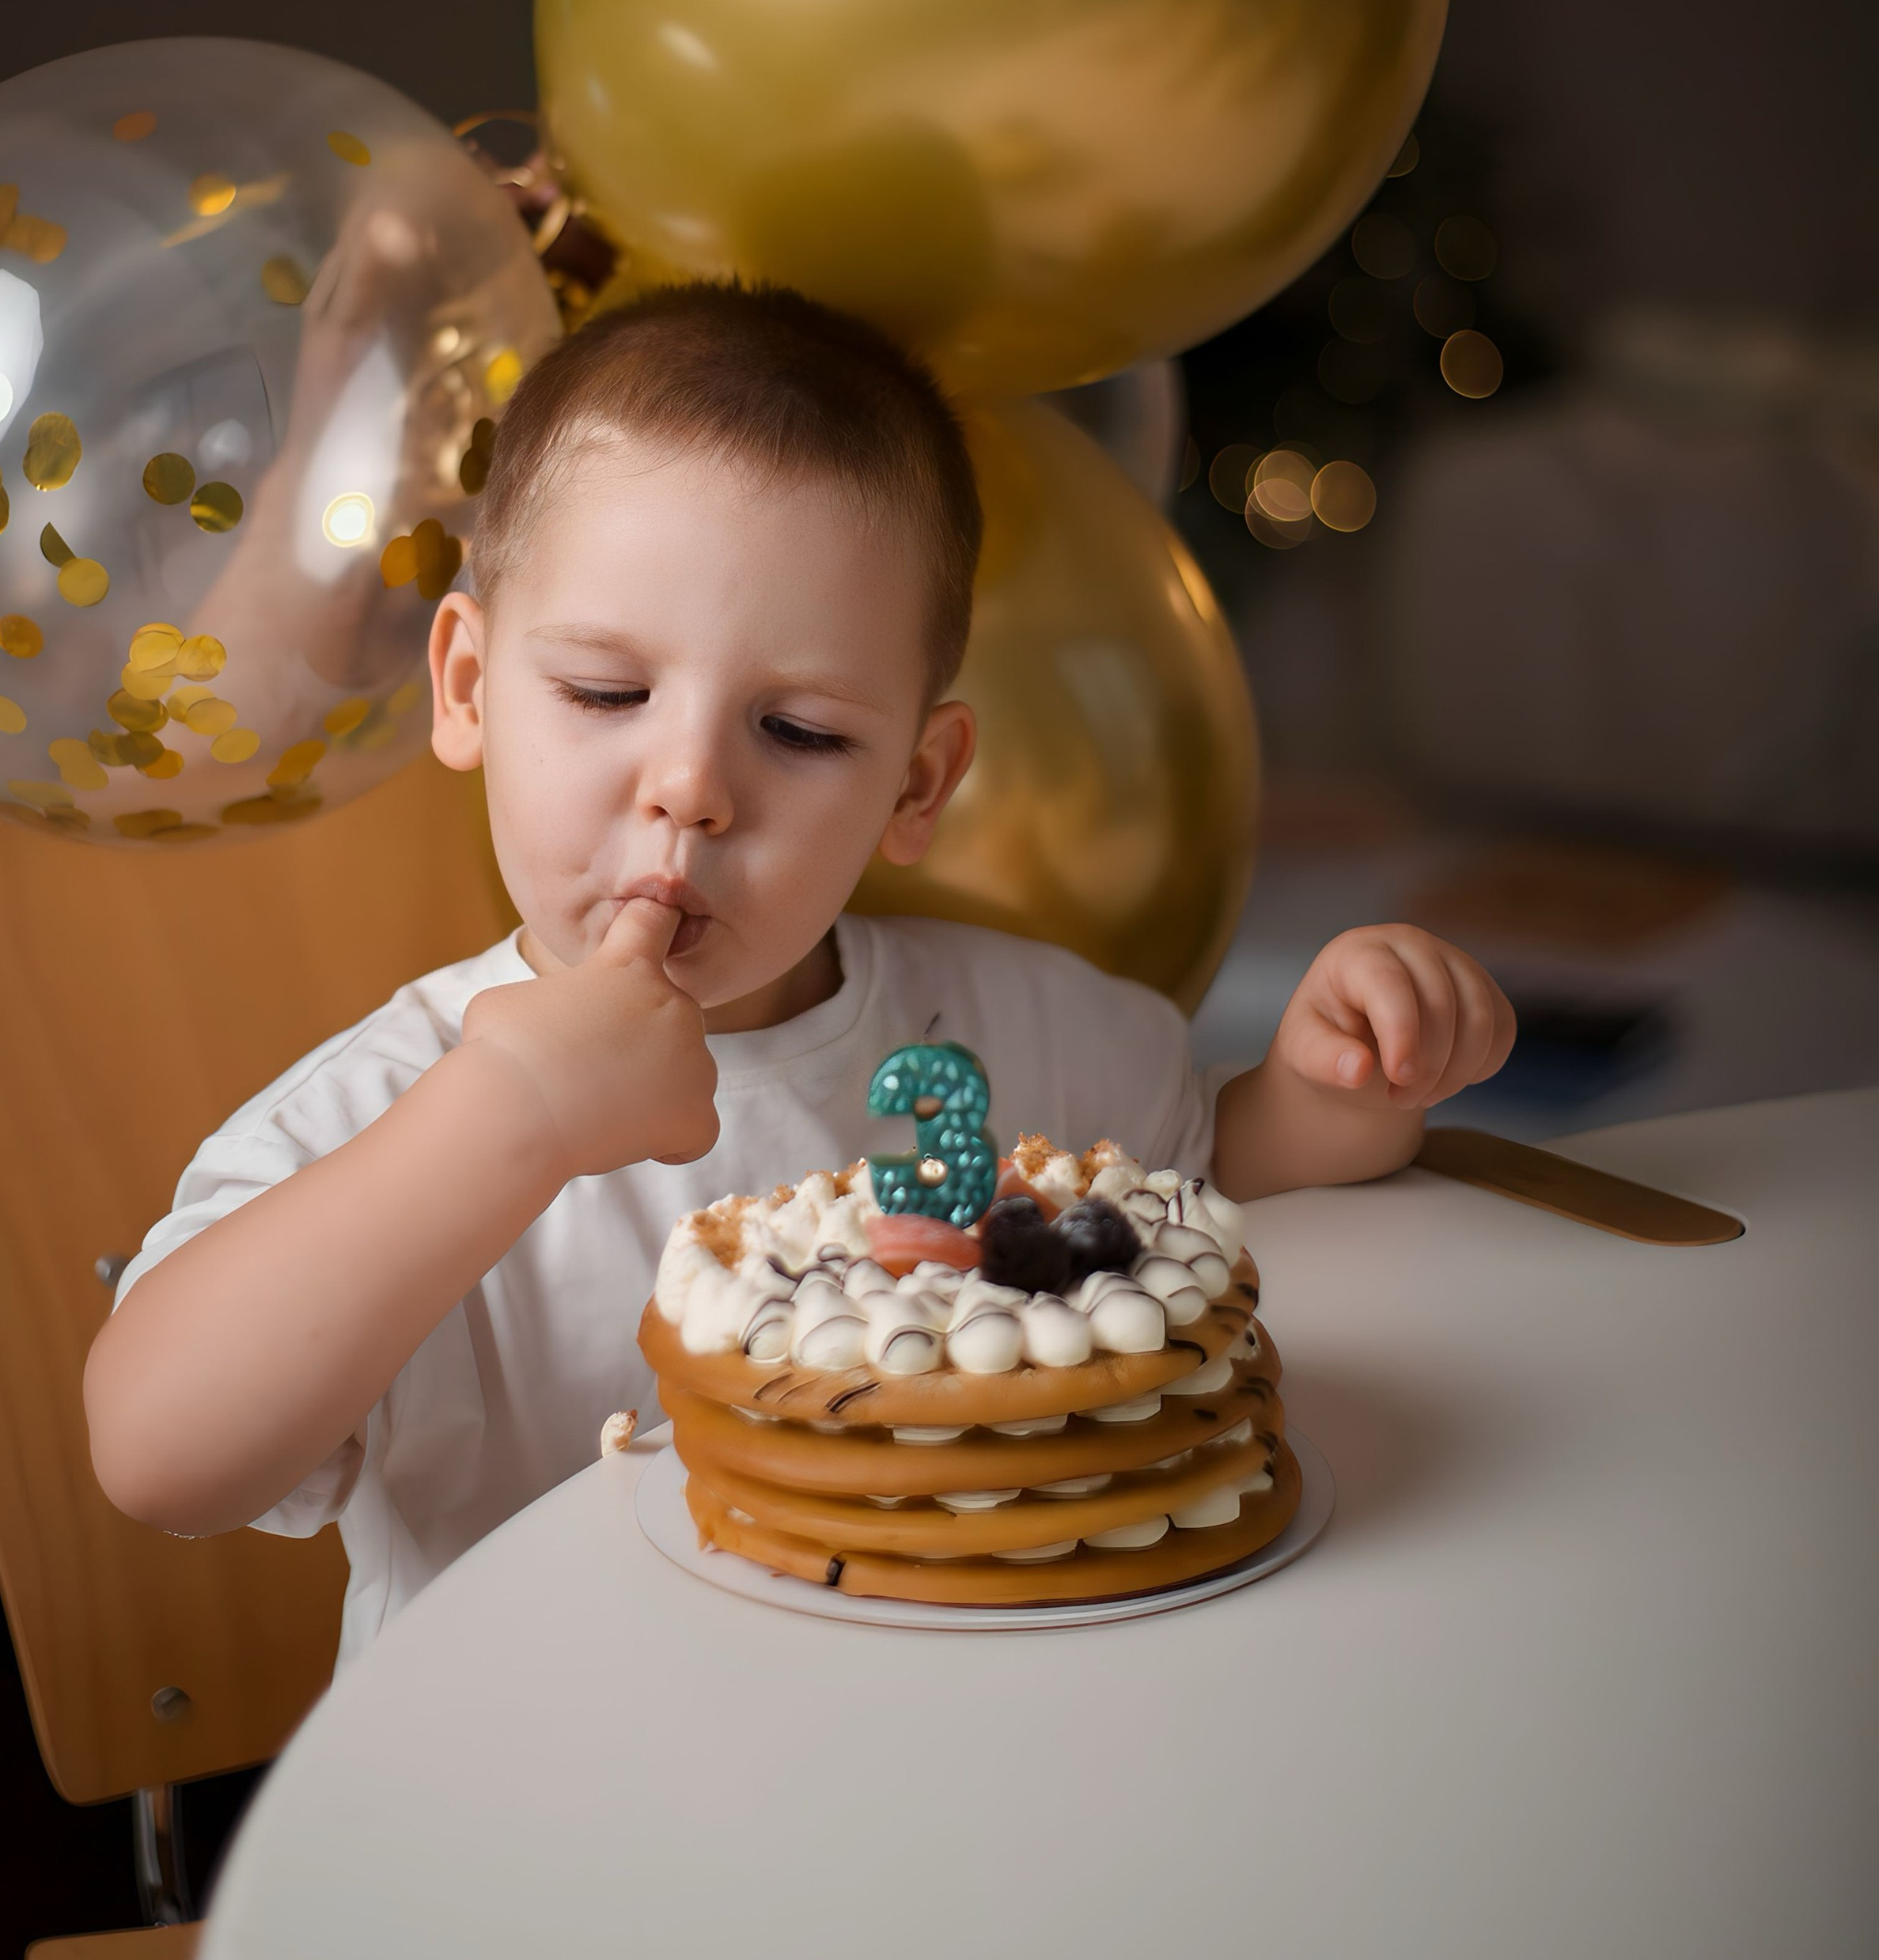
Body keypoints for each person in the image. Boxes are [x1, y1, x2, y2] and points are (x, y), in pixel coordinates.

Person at [85, 285, 1513, 1662]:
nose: (692, 787)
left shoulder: (1026, 1031)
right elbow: (158, 1453)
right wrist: (503, 1113)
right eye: (605, 693)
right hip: (541, 1817)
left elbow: (1216, 1194)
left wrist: (1345, 1085)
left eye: (803, 731)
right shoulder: (394, 1110)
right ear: (466, 687)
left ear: (917, 779)